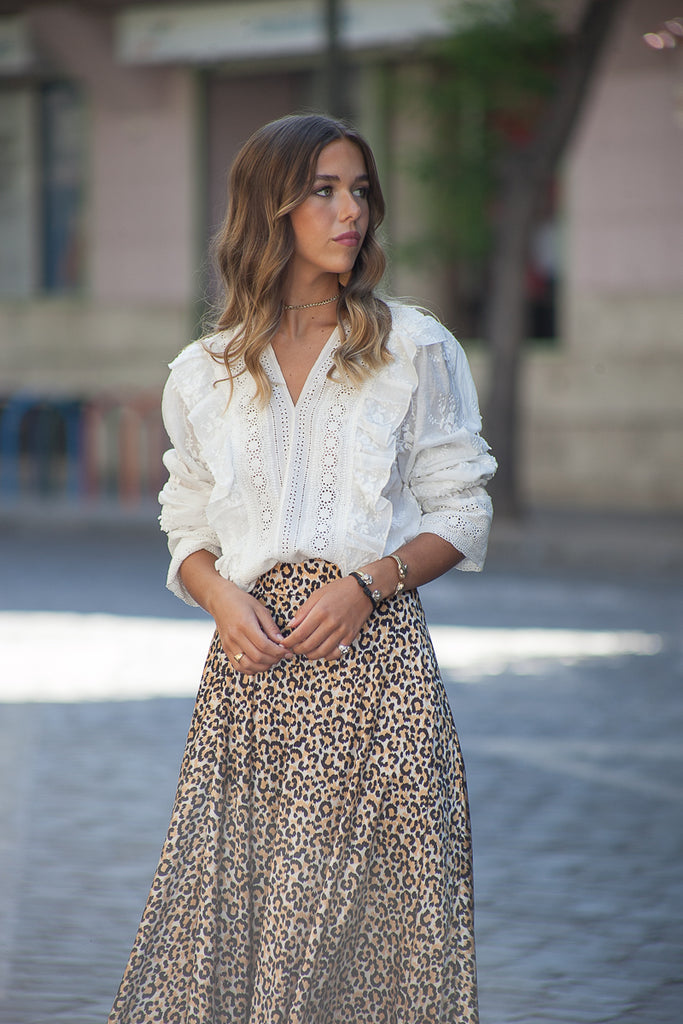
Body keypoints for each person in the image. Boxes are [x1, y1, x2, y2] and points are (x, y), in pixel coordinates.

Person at [108, 112, 496, 1024]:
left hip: (375, 678)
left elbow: (462, 507)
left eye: (359, 189)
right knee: (235, 942)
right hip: (251, 685)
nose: (348, 210)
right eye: (323, 190)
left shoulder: (413, 346)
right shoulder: (203, 371)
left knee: (373, 952)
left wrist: (369, 585)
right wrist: (217, 599)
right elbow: (185, 518)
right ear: (269, 209)